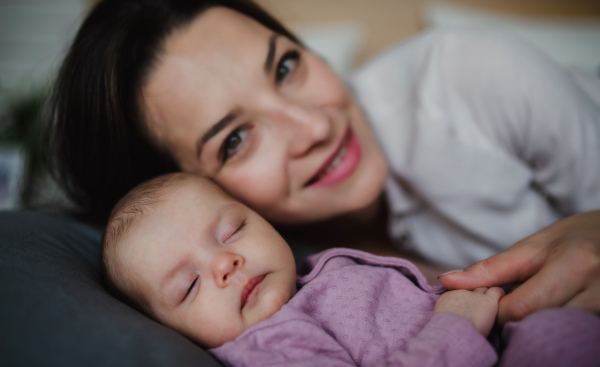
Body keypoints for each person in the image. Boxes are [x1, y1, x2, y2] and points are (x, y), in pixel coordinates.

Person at [41, 0, 600, 325]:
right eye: (235, 139)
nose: (315, 126)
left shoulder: (475, 75)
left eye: (285, 67)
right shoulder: (237, 289)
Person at [102, 172, 600, 367]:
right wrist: (459, 324)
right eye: (189, 286)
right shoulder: (271, 348)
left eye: (232, 231)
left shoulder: (313, 273)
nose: (225, 263)